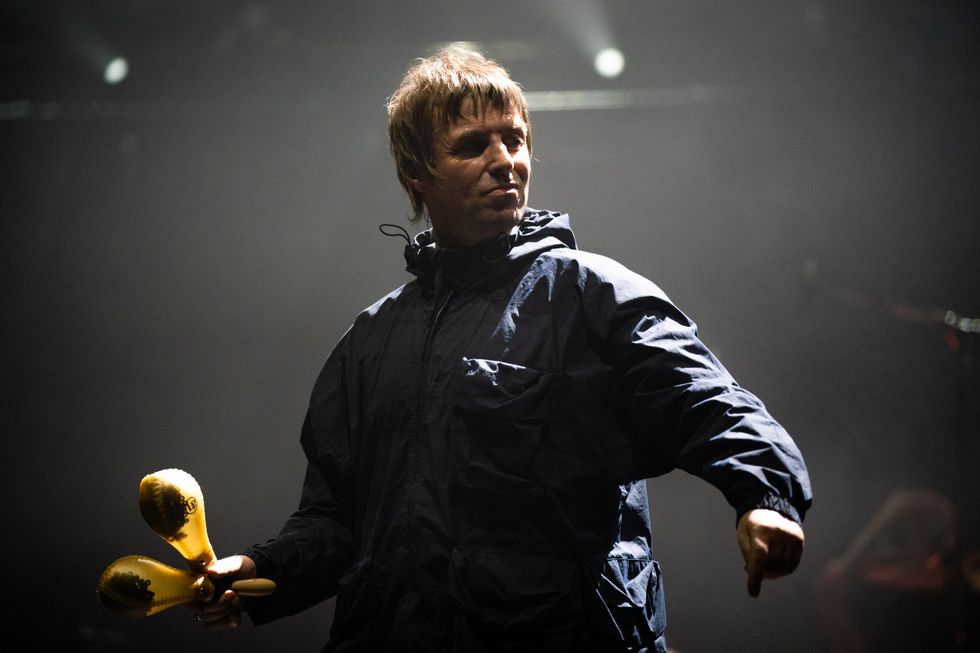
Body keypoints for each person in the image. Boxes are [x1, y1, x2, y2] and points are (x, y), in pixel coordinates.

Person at [193, 47, 812, 652]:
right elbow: (335, 521)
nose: (504, 161)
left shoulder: (589, 295)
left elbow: (708, 400)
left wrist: (766, 497)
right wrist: (256, 574)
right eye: (471, 146)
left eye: (514, 140)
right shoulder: (370, 341)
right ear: (417, 175)